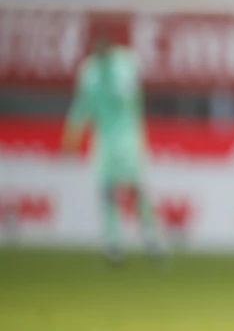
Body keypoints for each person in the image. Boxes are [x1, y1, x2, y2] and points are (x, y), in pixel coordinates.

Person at [61, 28, 163, 264]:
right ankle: (113, 240)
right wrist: (72, 134)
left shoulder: (126, 65)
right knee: (107, 191)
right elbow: (82, 105)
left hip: (127, 135)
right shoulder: (89, 71)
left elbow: (131, 99)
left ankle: (150, 236)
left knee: (135, 188)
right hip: (104, 139)